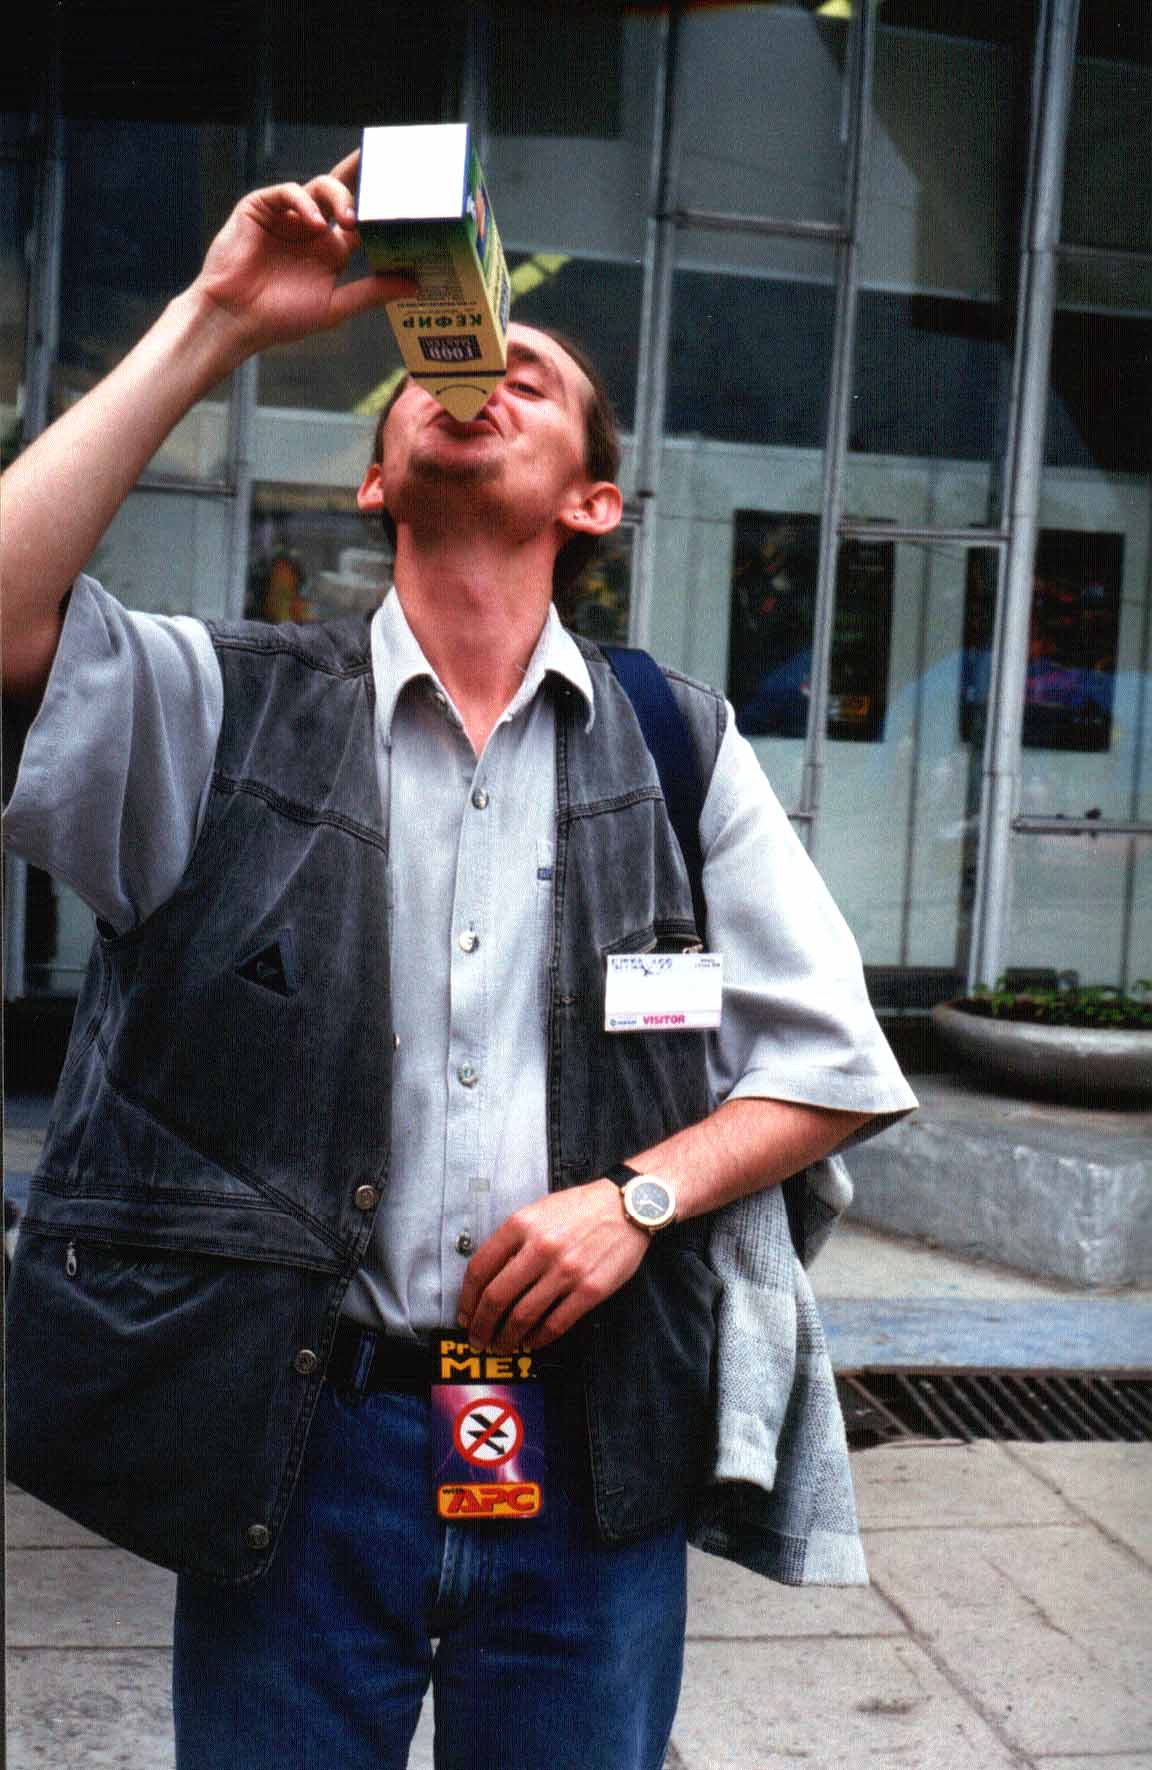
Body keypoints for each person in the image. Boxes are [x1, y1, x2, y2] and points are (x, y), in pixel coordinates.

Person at [2, 150, 917, 1770]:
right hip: (297, 1449)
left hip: (584, 1457)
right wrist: (219, 316)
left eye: (533, 371)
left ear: (594, 502)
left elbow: (833, 1065)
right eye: (438, 371)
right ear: (375, 482)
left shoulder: (675, 743)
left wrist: (638, 1199)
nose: (482, 372)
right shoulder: (223, 706)